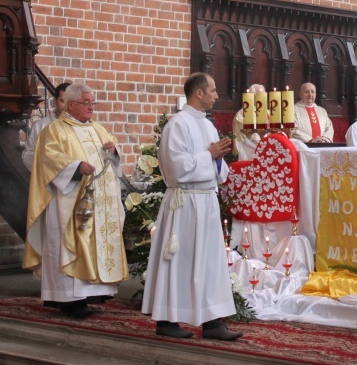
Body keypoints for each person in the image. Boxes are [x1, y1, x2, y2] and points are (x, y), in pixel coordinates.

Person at [142, 72, 242, 341]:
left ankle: (212, 322)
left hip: (206, 201)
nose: (216, 95)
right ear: (198, 93)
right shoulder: (178, 125)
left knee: (210, 262)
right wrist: (209, 154)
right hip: (185, 203)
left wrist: (220, 157)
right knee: (180, 260)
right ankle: (167, 319)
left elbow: (216, 170)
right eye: (213, 90)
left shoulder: (208, 125)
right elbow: (176, 167)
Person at [23, 83, 127, 319]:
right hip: (68, 202)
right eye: (86, 103)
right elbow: (48, 160)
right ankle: (69, 299)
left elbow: (114, 160)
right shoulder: (54, 131)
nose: (91, 107)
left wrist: (114, 152)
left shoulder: (99, 129)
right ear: (70, 105)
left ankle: (94, 294)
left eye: (93, 103)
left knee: (97, 244)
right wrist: (75, 167)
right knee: (70, 245)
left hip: (99, 203)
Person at [22, 82, 71, 171]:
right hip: (46, 179)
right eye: (62, 101)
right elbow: (27, 154)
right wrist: (46, 164)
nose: (66, 107)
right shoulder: (40, 126)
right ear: (55, 101)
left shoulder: (81, 127)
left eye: (70, 102)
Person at [231, 83, 265, 160]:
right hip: (249, 148)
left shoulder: (268, 112)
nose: (264, 98)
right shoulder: (242, 113)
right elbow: (250, 135)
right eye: (260, 95)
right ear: (253, 96)